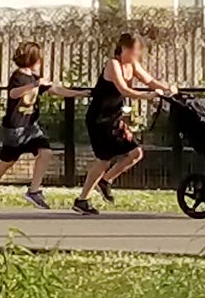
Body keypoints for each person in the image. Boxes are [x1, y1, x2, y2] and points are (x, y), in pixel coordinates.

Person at [0, 42, 89, 216]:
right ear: (32, 59)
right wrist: (34, 84)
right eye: (39, 59)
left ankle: (34, 191)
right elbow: (13, 93)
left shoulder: (35, 77)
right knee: (7, 162)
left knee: (46, 153)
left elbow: (55, 89)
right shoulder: (18, 76)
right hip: (15, 128)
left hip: (31, 127)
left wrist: (78, 93)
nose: (41, 62)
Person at [74, 32, 175, 215]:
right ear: (125, 49)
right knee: (104, 160)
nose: (138, 55)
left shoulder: (133, 64)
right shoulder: (113, 64)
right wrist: (146, 96)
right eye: (135, 51)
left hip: (114, 118)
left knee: (135, 153)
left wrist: (167, 88)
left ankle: (105, 181)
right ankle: (82, 199)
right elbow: (124, 89)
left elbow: (149, 80)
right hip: (99, 119)